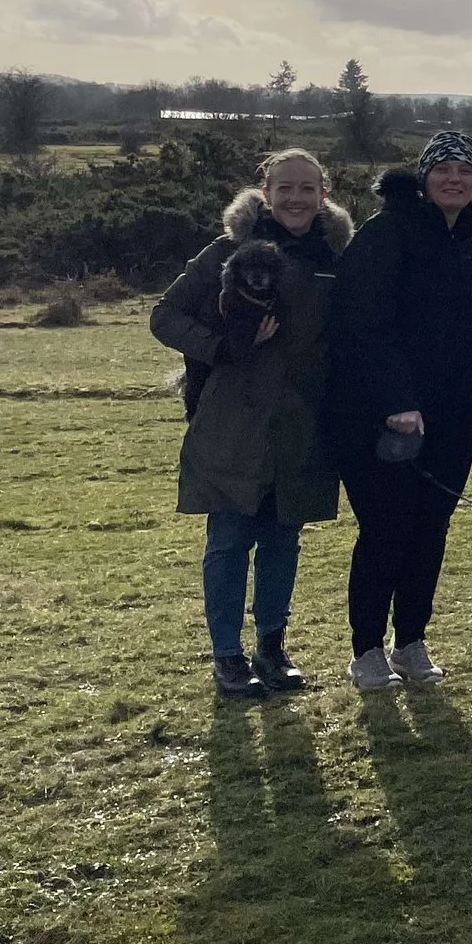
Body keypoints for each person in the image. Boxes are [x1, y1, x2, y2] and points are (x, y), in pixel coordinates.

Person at [325, 131, 472, 689]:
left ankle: (410, 642)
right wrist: (397, 402)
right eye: (443, 169)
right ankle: (366, 651)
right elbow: (364, 327)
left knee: (430, 530)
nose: (454, 178)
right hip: (382, 420)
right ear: (425, 177)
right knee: (386, 531)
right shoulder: (385, 235)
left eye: (464, 170)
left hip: (455, 417)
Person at [150, 149, 350, 696]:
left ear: (323, 193)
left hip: (301, 421)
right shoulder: (226, 251)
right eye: (284, 187)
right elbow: (164, 316)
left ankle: (272, 649)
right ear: (265, 191)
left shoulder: (338, 255)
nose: (295, 198)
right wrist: (221, 348)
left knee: (284, 537)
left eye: (306, 188)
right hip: (231, 421)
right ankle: (227, 657)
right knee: (230, 539)